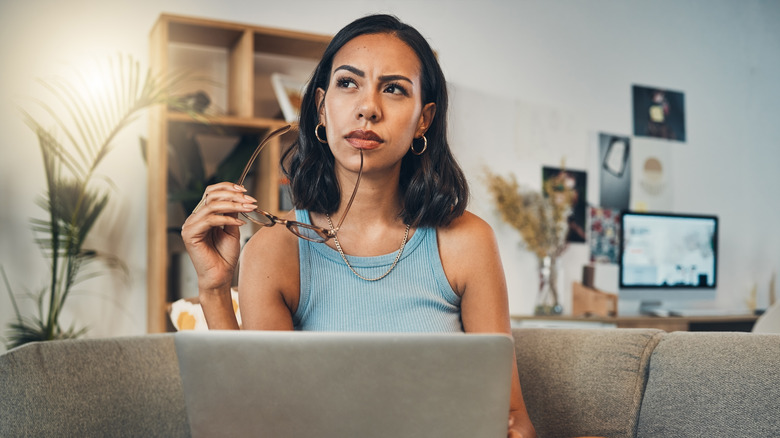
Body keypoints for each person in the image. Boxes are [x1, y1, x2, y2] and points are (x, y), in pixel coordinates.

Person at [181, 14, 537, 438]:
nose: (368, 107)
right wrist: (215, 289)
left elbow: (513, 419)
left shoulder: (466, 242)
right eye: (348, 83)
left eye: (393, 88)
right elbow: (258, 421)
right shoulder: (275, 250)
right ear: (321, 106)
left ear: (424, 119)